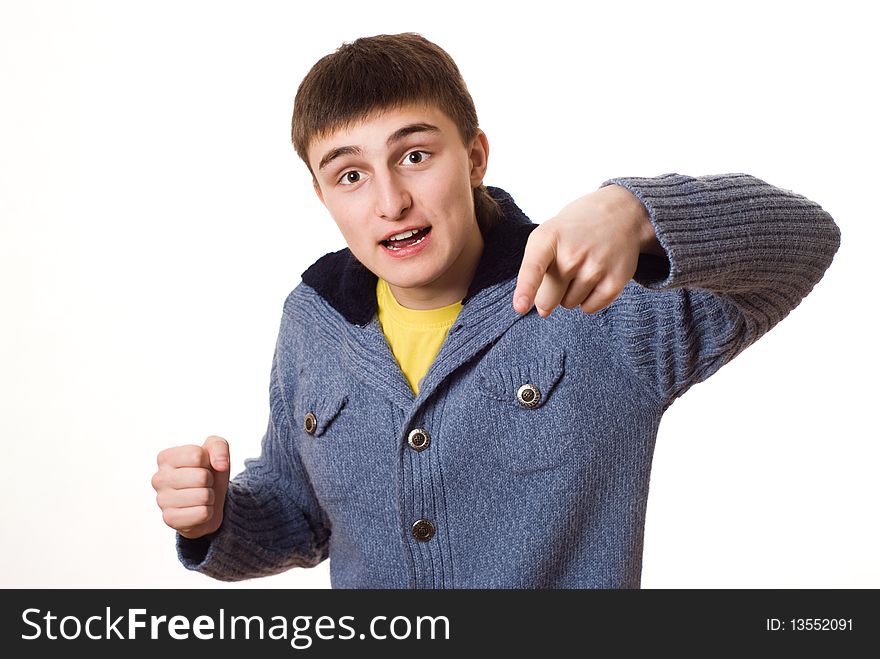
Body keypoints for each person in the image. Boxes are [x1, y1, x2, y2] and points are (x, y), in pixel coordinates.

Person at [151, 33, 840, 588]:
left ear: (474, 156)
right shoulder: (313, 319)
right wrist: (215, 520)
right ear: (322, 193)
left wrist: (635, 212)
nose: (390, 201)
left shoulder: (596, 302)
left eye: (415, 155)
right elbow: (299, 514)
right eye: (351, 174)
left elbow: (807, 241)